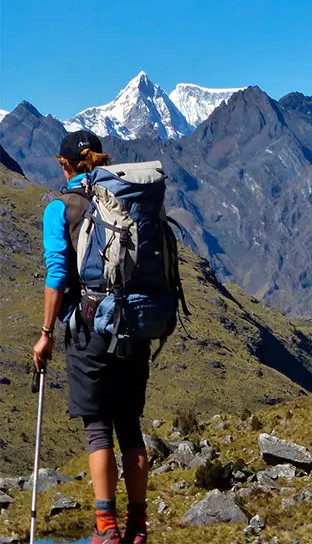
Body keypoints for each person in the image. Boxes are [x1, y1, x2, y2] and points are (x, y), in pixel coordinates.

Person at [33, 130, 150, 544]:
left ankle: (106, 530)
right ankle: (138, 528)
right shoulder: (126, 197)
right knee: (130, 427)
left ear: (64, 164)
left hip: (90, 331)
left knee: (98, 429)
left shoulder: (59, 209)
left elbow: (57, 273)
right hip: (135, 325)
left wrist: (46, 333)